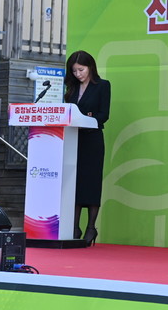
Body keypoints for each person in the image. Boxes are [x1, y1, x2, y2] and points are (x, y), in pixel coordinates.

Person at [64, 50, 111, 246]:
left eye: (81, 70)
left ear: (90, 67)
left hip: (92, 140)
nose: (78, 74)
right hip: (73, 139)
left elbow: (103, 115)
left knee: (91, 183)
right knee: (74, 183)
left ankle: (91, 227)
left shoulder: (103, 85)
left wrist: (87, 120)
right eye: (74, 71)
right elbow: (67, 113)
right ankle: (74, 227)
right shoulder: (71, 88)